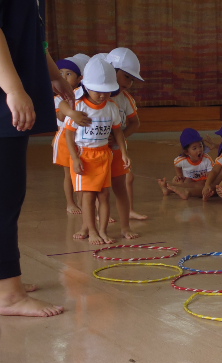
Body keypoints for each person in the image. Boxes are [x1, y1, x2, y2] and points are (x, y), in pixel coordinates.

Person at [0, 0, 73, 317]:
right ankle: (11, 295)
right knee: (0, 202)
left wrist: (52, 74)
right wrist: (13, 90)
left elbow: (29, 31)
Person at [65, 57, 131, 245]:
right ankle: (91, 230)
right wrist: (75, 157)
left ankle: (102, 230)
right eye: (97, 90)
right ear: (86, 87)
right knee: (88, 196)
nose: (102, 95)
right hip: (85, 156)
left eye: (106, 91)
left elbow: (118, 132)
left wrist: (124, 152)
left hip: (104, 155)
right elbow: (69, 135)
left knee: (104, 195)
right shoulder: (79, 107)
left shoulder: (112, 107)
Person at [105, 47, 148, 225]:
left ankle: (128, 211)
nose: (129, 83)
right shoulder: (96, 96)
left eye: (132, 79)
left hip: (118, 150)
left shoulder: (126, 98)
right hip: (97, 151)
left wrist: (119, 138)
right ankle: (100, 213)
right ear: (112, 71)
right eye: (126, 77)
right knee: (100, 185)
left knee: (126, 179)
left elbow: (135, 123)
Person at [52, 54, 89, 215]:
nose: (63, 77)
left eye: (68, 74)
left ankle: (84, 202)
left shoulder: (82, 95)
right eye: (60, 73)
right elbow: (61, 116)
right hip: (64, 139)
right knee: (68, 174)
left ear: (80, 78)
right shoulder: (59, 97)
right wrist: (72, 111)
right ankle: (70, 203)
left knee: (82, 171)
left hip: (79, 139)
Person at [158, 128, 213, 199]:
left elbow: (212, 171)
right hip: (189, 178)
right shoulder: (182, 160)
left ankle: (170, 187)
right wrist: (179, 174)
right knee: (185, 182)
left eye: (200, 146)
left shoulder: (207, 159)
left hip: (202, 180)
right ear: (187, 152)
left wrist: (209, 173)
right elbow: (176, 164)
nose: (199, 150)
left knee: (201, 184)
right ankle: (169, 189)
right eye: (194, 148)